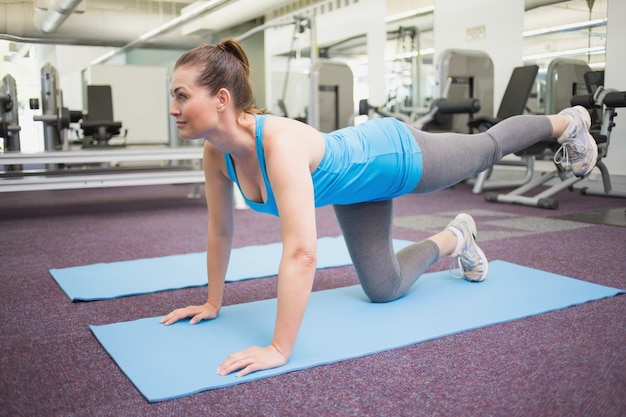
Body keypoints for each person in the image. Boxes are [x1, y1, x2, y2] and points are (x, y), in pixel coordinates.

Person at [160, 39, 598, 377]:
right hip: (354, 192)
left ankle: (568, 121)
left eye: (181, 96)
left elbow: (302, 253)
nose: (174, 108)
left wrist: (279, 348)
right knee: (384, 289)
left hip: (394, 154)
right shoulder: (216, 155)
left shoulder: (278, 142)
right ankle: (458, 236)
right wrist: (213, 302)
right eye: (173, 97)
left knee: (486, 150)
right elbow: (220, 230)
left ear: (220, 98)